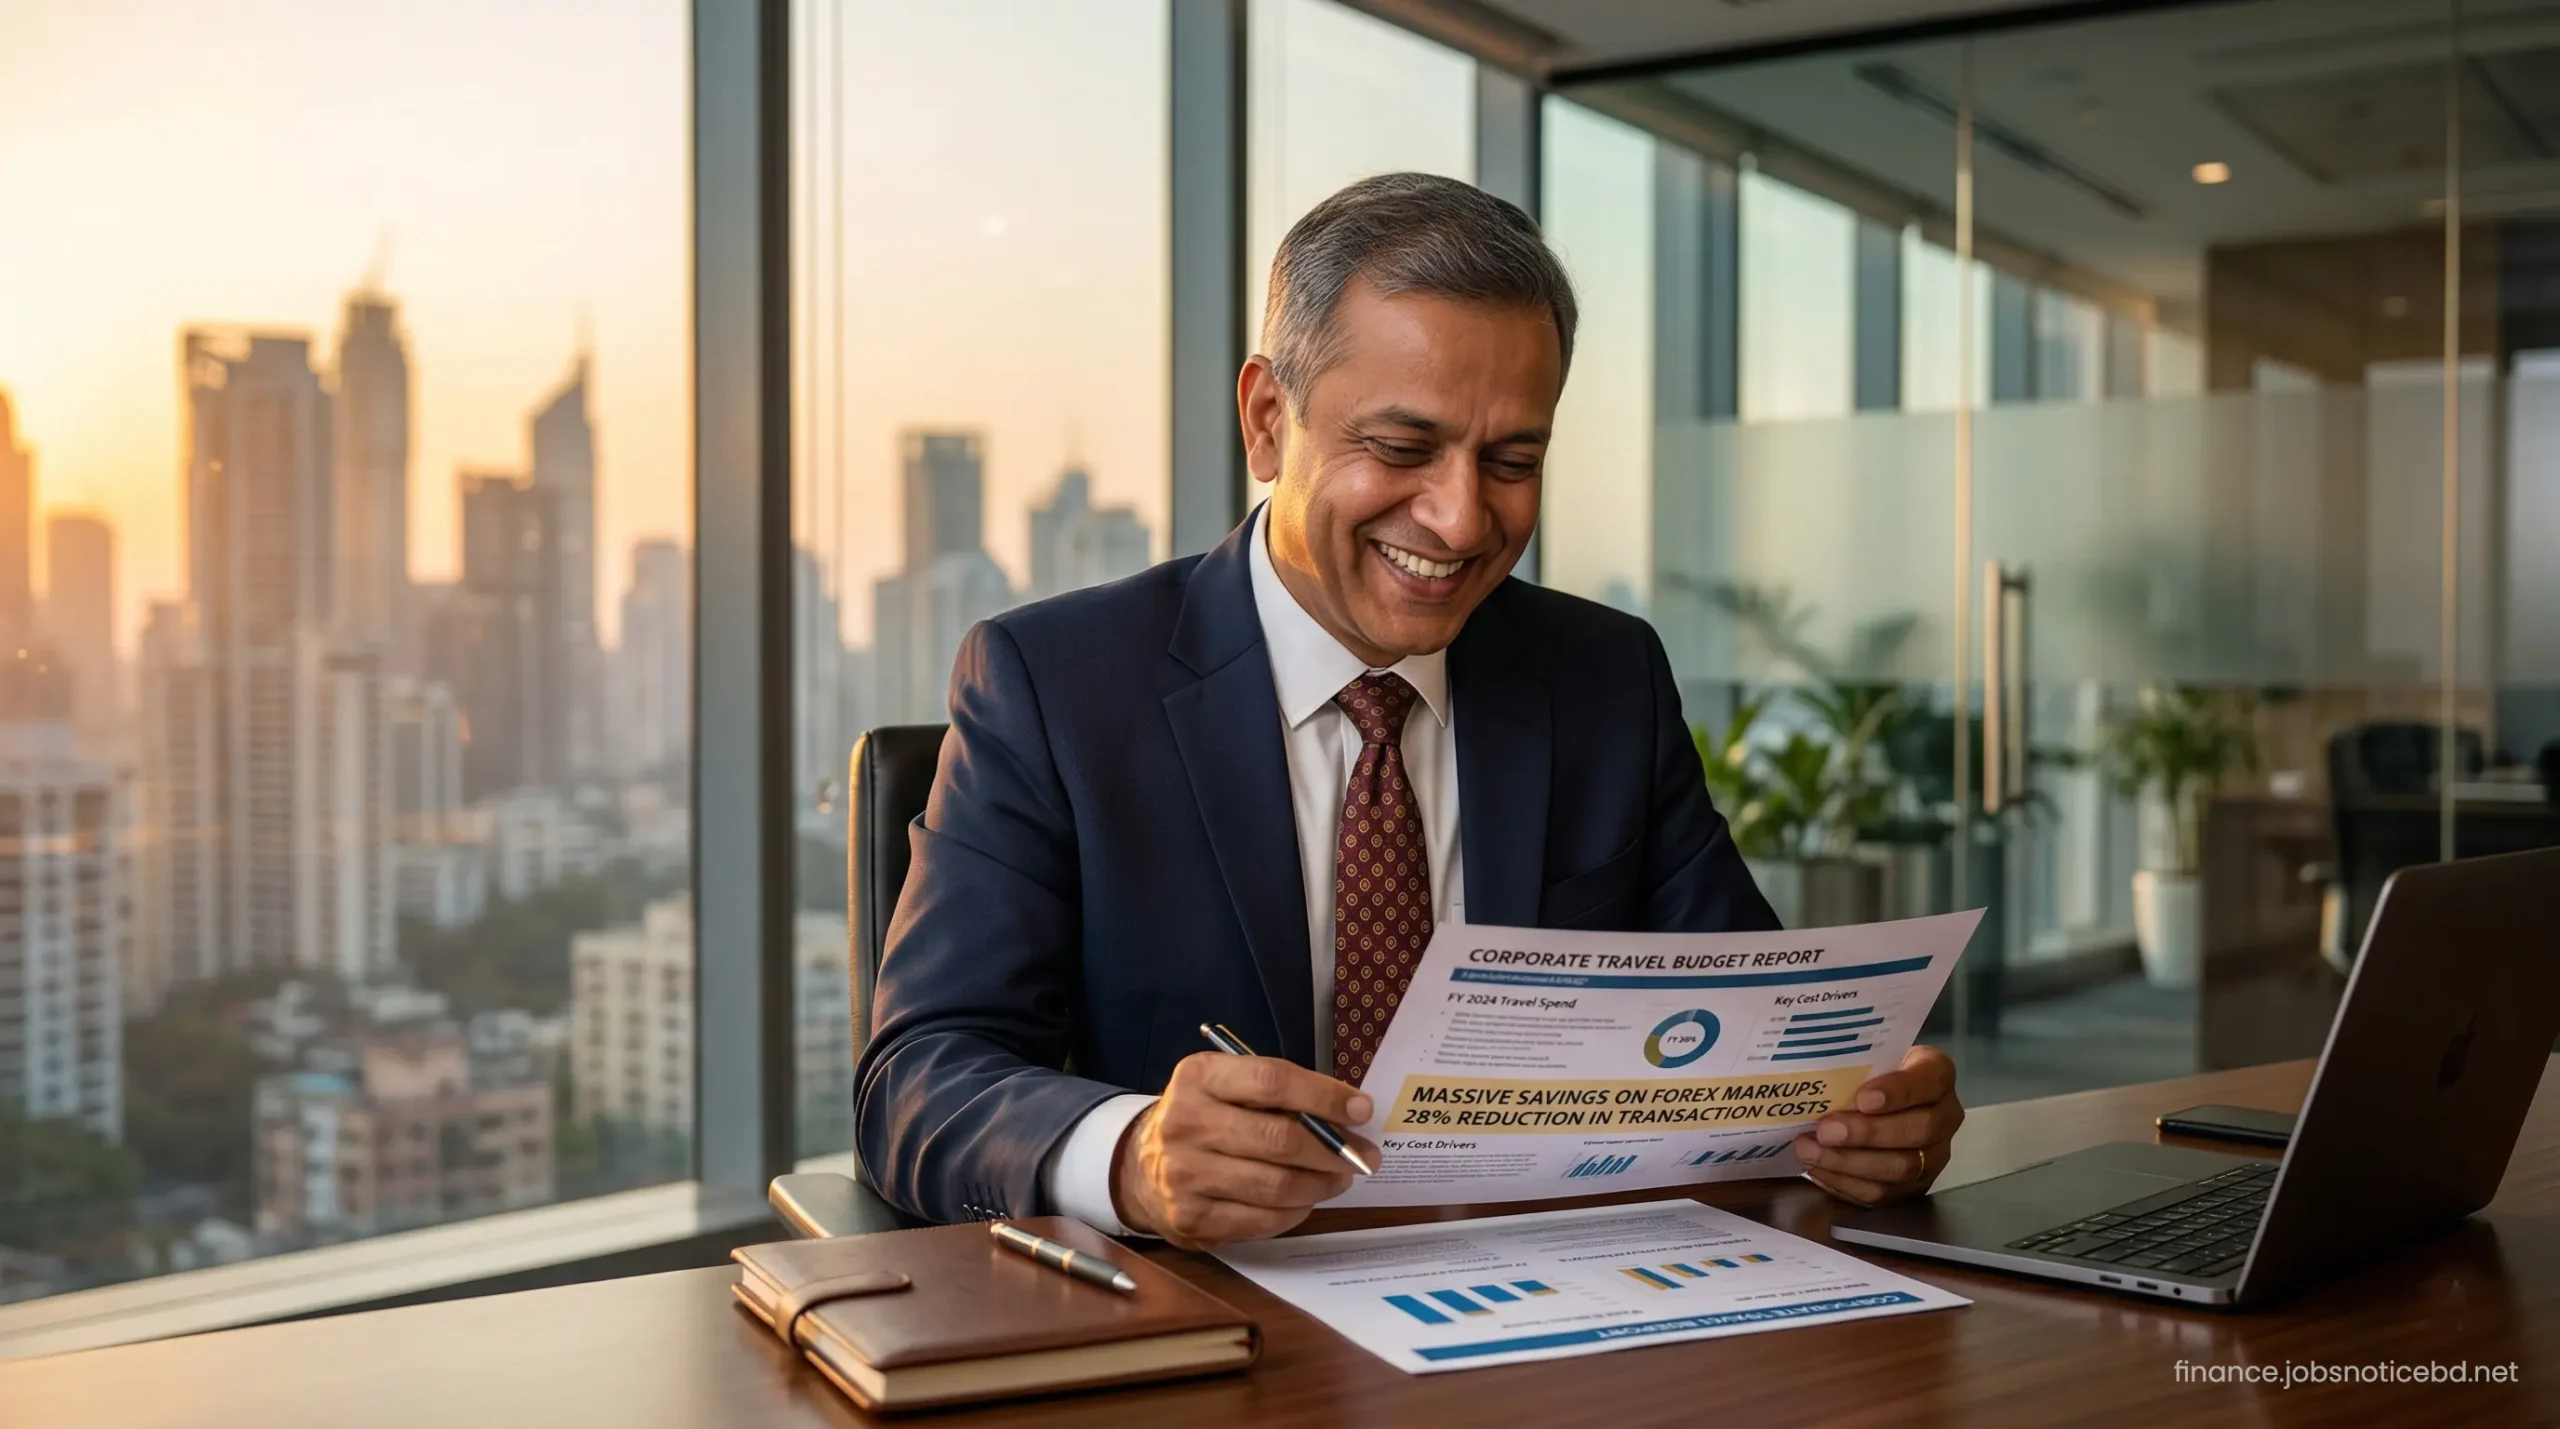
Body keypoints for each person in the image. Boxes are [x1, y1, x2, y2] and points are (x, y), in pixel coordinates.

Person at [856, 172, 1963, 1249]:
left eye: (1512, 460)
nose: (1460, 518)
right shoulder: (1055, 685)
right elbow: (917, 1078)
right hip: (1209, 1318)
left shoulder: (1602, 678)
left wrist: (1865, 1113)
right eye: (1401, 448)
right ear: (1267, 420)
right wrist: (1132, 1155)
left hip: (1553, 1293)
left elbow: (1762, 1046)